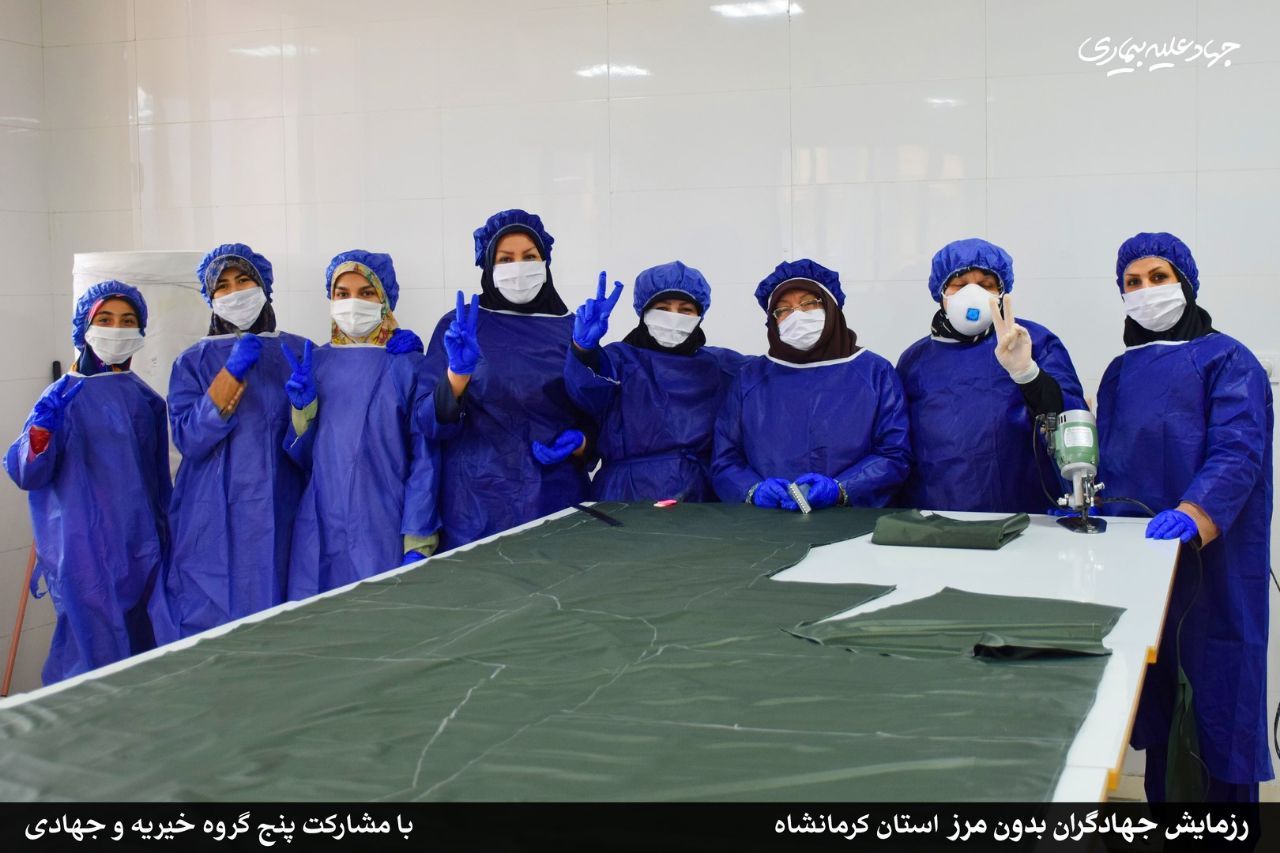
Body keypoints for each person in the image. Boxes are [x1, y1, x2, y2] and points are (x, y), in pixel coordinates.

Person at [1098, 232, 1273, 802]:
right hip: (1142, 562)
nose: (1146, 291)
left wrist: (1195, 511)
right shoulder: (1120, 373)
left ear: (1186, 284)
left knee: (1217, 697)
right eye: (1132, 282)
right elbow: (1111, 459)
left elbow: (1238, 451)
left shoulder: (1228, 359)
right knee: (1158, 700)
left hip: (1213, 564)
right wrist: (1091, 506)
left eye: (1159, 277)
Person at [4, 281, 170, 684]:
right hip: (82, 553)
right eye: (106, 319)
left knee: (142, 655)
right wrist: (41, 433)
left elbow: (158, 486)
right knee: (89, 659)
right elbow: (27, 474)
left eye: (127, 321)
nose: (117, 329)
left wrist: (167, 542)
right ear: (85, 328)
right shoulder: (59, 398)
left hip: (141, 549)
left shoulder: (146, 400)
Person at [150, 244, 310, 642]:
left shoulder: (299, 352)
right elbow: (189, 439)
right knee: (212, 627)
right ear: (210, 298)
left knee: (284, 624)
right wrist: (229, 376)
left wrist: (305, 409)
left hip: (284, 509)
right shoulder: (192, 362)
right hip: (211, 518)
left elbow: (318, 443)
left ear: (264, 287)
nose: (235, 293)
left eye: (244, 281)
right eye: (222, 286)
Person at [423, 209, 593, 549]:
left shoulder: (573, 329)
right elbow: (428, 425)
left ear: (545, 262)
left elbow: (598, 416)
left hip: (556, 499)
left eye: (529, 257)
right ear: (489, 265)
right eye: (505, 259)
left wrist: (583, 444)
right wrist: (457, 377)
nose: (519, 268)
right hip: (475, 506)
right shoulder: (460, 328)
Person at [283, 250, 439, 599]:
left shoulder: (407, 365)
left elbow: (425, 458)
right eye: (342, 294)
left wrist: (419, 538)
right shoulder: (315, 364)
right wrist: (302, 410)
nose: (353, 303)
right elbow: (301, 459)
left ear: (385, 299)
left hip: (382, 525)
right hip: (318, 526)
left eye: (366, 293)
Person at [895, 238, 1085, 512]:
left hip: (1026, 515)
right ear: (941, 293)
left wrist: (1028, 374)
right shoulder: (915, 360)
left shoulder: (1032, 341)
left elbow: (1071, 419)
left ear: (1001, 292)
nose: (972, 294)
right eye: (959, 284)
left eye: (986, 285)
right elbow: (900, 445)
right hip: (938, 515)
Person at [712, 259, 911, 510]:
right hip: (768, 521)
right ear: (773, 321)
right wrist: (752, 489)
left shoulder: (875, 373)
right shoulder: (750, 379)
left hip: (854, 521)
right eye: (783, 309)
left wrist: (843, 489)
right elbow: (725, 458)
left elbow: (894, 454)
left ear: (830, 307)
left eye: (808, 303)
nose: (797, 315)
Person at [564, 261, 748, 502]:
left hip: (700, 496)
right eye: (662, 308)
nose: (673, 318)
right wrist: (584, 351)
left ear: (699, 316)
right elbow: (587, 392)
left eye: (685, 310)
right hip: (625, 493)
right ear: (644, 312)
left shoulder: (721, 365)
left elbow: (771, 378)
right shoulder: (620, 360)